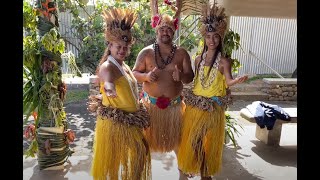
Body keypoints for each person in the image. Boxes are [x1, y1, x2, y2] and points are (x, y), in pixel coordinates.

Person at [177, 1, 248, 179]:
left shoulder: (225, 61)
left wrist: (235, 81)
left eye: (215, 36)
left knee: (207, 142)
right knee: (194, 141)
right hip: (195, 106)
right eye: (208, 36)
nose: (212, 40)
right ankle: (202, 168)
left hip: (213, 108)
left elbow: (228, 81)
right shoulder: (198, 59)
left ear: (220, 38)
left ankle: (206, 173)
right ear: (204, 38)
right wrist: (180, 77)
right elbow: (193, 80)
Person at [88, 8, 151, 180]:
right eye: (118, 47)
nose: (122, 50)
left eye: (125, 47)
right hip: (117, 123)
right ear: (110, 45)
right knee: (128, 157)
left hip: (129, 120)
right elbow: (107, 79)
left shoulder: (123, 66)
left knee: (139, 152)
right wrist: (109, 88)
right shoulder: (108, 66)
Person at [132, 0, 193, 155]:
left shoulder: (182, 53)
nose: (166, 32)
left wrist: (181, 77)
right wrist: (146, 76)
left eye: (169, 30)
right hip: (150, 107)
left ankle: (183, 174)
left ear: (174, 32)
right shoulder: (146, 53)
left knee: (179, 142)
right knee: (145, 143)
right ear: (157, 30)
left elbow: (190, 77)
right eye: (162, 29)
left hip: (175, 108)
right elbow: (134, 74)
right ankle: (142, 172)